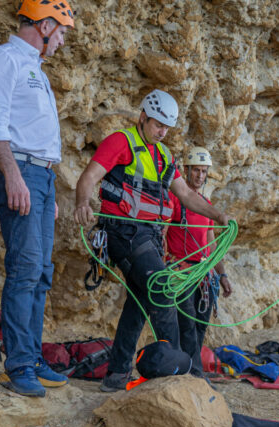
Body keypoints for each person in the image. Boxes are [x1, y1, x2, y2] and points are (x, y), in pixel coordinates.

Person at [73, 90, 229, 392]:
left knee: (139, 303)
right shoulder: (121, 142)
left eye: (166, 127)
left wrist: (218, 215)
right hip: (123, 232)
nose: (162, 132)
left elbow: (186, 195)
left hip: (149, 237)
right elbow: (89, 176)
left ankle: (117, 374)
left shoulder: (164, 156)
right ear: (143, 117)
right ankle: (177, 374)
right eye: (158, 125)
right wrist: (82, 202)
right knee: (162, 290)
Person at [0, 0, 76, 397]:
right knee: (26, 268)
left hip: (40, 176)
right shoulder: (4, 59)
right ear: (45, 25)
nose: (63, 41)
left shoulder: (35, 68)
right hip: (17, 169)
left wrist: (48, 188)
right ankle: (18, 366)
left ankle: (31, 358)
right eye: (62, 32)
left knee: (41, 271)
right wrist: (14, 176)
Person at [165, 146, 233, 373]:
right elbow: (162, 233)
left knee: (201, 323)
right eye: (196, 170)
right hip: (181, 271)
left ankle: (190, 368)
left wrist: (222, 274)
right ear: (185, 170)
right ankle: (193, 372)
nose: (200, 176)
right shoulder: (175, 199)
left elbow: (211, 244)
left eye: (204, 171)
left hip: (203, 274)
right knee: (187, 322)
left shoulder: (205, 205)